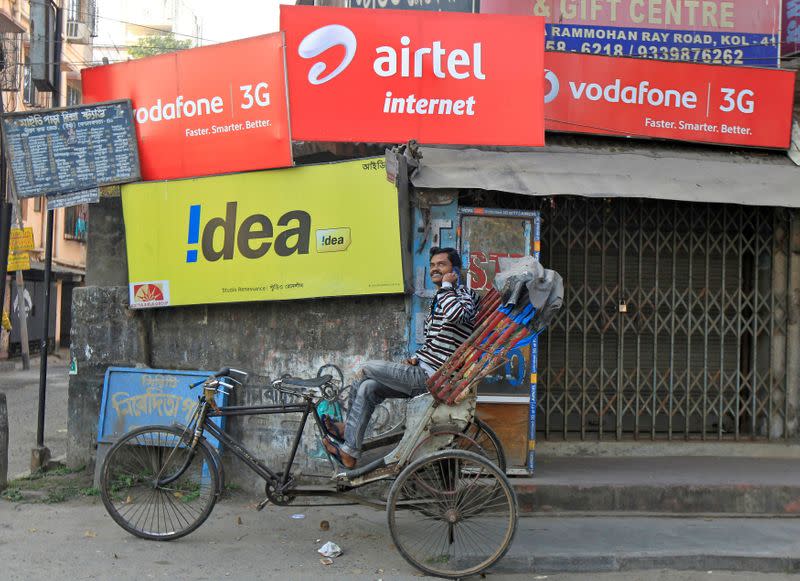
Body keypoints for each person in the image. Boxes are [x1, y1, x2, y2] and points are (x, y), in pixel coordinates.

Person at [322, 247, 478, 468]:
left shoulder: (463, 295)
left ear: (455, 270)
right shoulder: (444, 296)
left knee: (365, 368)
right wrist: (416, 356)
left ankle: (347, 428)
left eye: (441, 265)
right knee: (368, 388)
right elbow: (436, 342)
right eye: (432, 265)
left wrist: (447, 286)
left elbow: (456, 316)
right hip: (424, 369)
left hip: (433, 377)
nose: (435, 269)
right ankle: (350, 452)